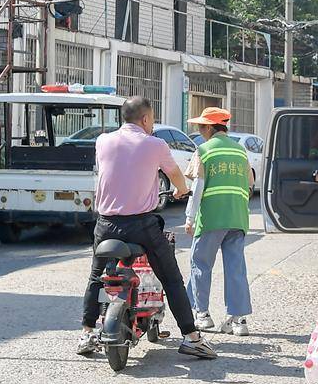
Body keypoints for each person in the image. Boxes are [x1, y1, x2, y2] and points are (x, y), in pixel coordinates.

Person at [77, 97, 217, 359]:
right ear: (145, 119)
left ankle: (86, 333)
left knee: (96, 277)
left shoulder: (103, 141)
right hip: (141, 224)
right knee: (171, 278)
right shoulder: (155, 144)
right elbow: (177, 177)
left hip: (105, 224)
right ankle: (191, 337)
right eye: (151, 119)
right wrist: (181, 190)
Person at [184, 107, 253, 335]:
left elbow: (198, 187)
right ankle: (238, 320)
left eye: (201, 127)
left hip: (212, 218)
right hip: (238, 217)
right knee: (236, 268)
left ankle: (202, 314)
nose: (200, 131)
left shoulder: (204, 150)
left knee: (200, 264)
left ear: (210, 128)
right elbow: (250, 185)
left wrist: (189, 217)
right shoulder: (241, 152)